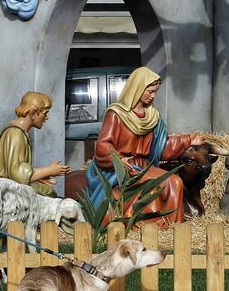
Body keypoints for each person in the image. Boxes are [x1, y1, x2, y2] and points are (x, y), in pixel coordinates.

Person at [86, 66, 204, 229]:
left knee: (175, 181)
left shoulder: (152, 117)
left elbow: (162, 147)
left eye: (155, 92)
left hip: (143, 166)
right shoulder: (116, 115)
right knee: (152, 183)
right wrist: (118, 160)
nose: (153, 96)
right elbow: (103, 145)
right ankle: (141, 223)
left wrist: (189, 140)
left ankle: (169, 227)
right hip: (120, 168)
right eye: (150, 91)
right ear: (137, 88)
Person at [0, 91, 70, 197]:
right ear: (33, 113)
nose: (46, 118)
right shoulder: (16, 134)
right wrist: (49, 170)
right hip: (10, 191)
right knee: (50, 194)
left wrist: (39, 177)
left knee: (49, 191)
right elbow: (17, 174)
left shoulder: (19, 132)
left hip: (13, 185)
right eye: (45, 113)